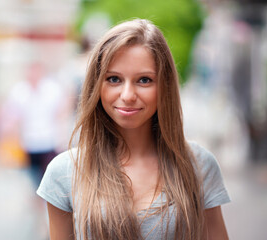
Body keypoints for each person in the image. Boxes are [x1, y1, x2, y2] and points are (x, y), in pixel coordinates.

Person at [37, 19, 230, 240]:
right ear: (96, 85)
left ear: (164, 86)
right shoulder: (64, 172)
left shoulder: (198, 166)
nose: (127, 95)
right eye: (114, 79)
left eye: (144, 80)